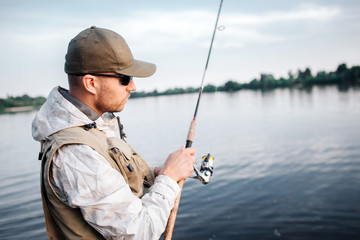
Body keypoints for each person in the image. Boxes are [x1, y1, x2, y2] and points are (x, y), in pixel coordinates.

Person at [32, 26, 196, 240]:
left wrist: (156, 175)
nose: (133, 86)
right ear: (91, 83)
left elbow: (115, 182)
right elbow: (140, 232)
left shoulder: (92, 128)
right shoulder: (75, 152)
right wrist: (169, 177)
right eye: (125, 78)